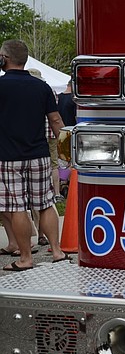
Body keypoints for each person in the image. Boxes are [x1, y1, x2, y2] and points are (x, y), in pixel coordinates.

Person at [0, 40, 72, 270]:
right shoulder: (42, 87)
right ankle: (58, 251)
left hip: (8, 156)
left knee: (17, 206)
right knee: (46, 203)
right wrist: (65, 153)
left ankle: (25, 258)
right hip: (39, 154)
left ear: (5, 58)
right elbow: (56, 120)